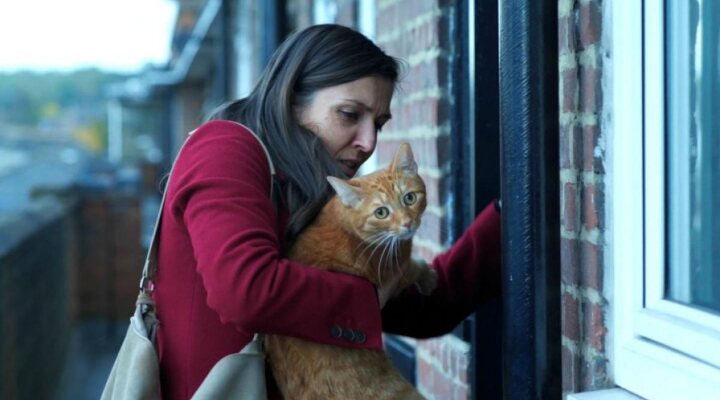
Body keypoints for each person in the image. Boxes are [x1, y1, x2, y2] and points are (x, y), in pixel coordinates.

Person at [153, 23, 501, 399]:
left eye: (378, 124)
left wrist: (510, 213)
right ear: (292, 99)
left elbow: (425, 307)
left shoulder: (310, 191)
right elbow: (244, 291)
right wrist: (370, 295)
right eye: (350, 115)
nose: (368, 143)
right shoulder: (224, 148)